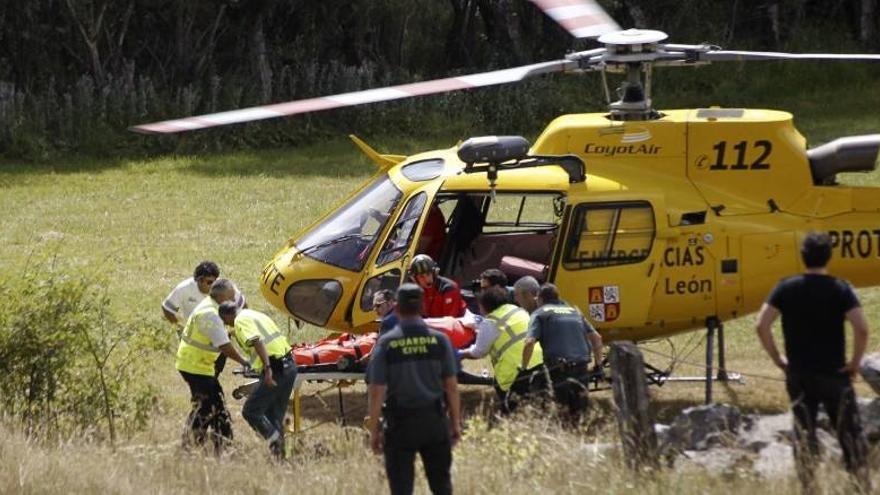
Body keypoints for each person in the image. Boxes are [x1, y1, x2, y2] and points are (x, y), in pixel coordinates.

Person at [755, 232, 870, 493]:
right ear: (829, 256)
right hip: (833, 372)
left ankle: (808, 486)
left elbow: (762, 325)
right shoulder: (840, 288)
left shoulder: (786, 287)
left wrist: (778, 360)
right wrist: (854, 363)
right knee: (849, 433)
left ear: (802, 256)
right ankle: (859, 486)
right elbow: (861, 329)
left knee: (804, 433)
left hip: (799, 373)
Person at [367, 283, 462, 495]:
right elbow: (452, 386)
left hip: (400, 424)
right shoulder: (440, 340)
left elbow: (376, 390)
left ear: (397, 308)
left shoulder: (387, 343)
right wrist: (455, 423)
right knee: (442, 486)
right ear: (422, 307)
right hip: (434, 421)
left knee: (401, 488)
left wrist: (374, 429)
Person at [175, 279, 250, 453]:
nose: (234, 299)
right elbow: (224, 345)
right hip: (194, 366)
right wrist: (243, 361)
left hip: (201, 365)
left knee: (217, 404)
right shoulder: (210, 315)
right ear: (223, 296)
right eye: (231, 296)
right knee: (206, 407)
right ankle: (191, 444)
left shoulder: (214, 306)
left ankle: (222, 443)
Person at [218, 302, 297, 460]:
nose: (226, 325)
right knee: (274, 415)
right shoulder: (255, 314)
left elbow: (257, 341)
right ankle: (280, 459)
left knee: (251, 411)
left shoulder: (240, 321)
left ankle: (274, 441)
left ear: (227, 316)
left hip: (275, 369)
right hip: (289, 365)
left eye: (224, 321)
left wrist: (267, 369)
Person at [521, 283, 603, 422]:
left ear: (540, 299)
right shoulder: (574, 312)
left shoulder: (540, 313)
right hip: (581, 366)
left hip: (558, 370)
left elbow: (529, 342)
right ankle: (579, 438)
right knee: (579, 413)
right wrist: (598, 366)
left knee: (560, 413)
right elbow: (597, 338)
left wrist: (523, 368)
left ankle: (562, 439)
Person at [460, 286, 544, 413]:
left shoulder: (490, 322)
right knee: (541, 401)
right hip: (541, 361)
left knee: (512, 408)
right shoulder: (518, 311)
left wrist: (460, 353)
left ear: (485, 306)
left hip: (517, 370)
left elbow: (479, 352)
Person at [409, 254, 466, 319]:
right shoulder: (415, 292)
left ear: (434, 272)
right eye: (421, 276)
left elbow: (449, 321)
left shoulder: (449, 289)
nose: (426, 279)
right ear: (415, 278)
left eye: (428, 274)